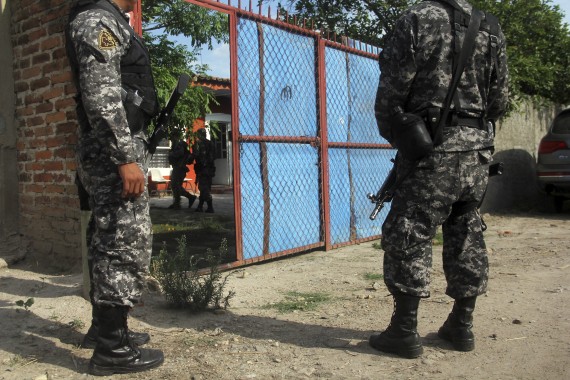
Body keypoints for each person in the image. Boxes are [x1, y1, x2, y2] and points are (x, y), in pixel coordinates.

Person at [370, 0, 508, 358]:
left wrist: (403, 137)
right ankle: (461, 327)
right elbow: (499, 100)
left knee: (409, 231)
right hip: (477, 153)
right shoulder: (490, 26)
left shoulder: (418, 18)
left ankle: (403, 331)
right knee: (467, 232)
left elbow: (392, 92)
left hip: (431, 148)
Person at [66, 0, 164, 375]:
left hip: (108, 149)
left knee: (107, 236)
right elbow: (102, 95)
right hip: (112, 152)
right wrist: (125, 157)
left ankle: (105, 331)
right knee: (122, 242)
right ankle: (112, 350)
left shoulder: (104, 19)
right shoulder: (96, 21)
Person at [168, 133, 197, 209]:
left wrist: (171, 154)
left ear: (176, 136)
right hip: (177, 168)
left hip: (180, 168)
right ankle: (178, 203)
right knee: (175, 186)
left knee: (176, 186)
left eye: (172, 137)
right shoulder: (177, 144)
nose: (171, 139)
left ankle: (182, 201)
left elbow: (180, 153)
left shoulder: (180, 144)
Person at [190, 128, 216, 213]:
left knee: (204, 189)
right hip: (209, 170)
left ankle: (210, 207)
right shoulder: (211, 143)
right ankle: (200, 206)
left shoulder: (198, 144)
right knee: (205, 188)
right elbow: (215, 156)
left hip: (203, 169)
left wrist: (188, 159)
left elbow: (195, 155)